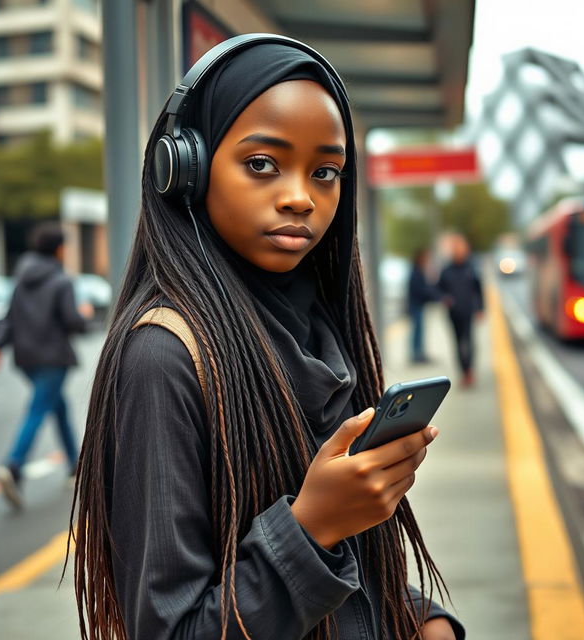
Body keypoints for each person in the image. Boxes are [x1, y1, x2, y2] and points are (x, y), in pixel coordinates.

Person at [69, 35, 465, 640]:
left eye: (326, 171)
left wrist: (417, 615)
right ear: (185, 170)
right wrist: (311, 528)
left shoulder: (313, 327)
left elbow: (345, 574)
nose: (301, 197)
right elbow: (172, 630)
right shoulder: (165, 356)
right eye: (262, 164)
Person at [0, 222, 93, 508]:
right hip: (53, 358)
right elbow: (73, 322)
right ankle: (13, 466)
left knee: (58, 407)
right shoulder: (61, 281)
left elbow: (9, 317)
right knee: (39, 409)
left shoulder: (21, 279)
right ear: (59, 249)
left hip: (26, 359)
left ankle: (75, 465)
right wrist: (84, 314)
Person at [437, 234, 484, 387]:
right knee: (457, 343)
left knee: (469, 341)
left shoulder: (471, 268)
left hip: (468, 310)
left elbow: (478, 289)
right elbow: (439, 289)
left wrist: (480, 308)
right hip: (453, 313)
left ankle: (470, 370)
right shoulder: (446, 270)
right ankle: (463, 371)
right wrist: (445, 298)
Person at [406, 248, 441, 363]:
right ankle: (417, 354)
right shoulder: (416, 272)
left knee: (419, 330)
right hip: (416, 305)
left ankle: (419, 353)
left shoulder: (418, 271)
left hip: (418, 305)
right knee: (417, 331)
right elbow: (421, 290)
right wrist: (434, 296)